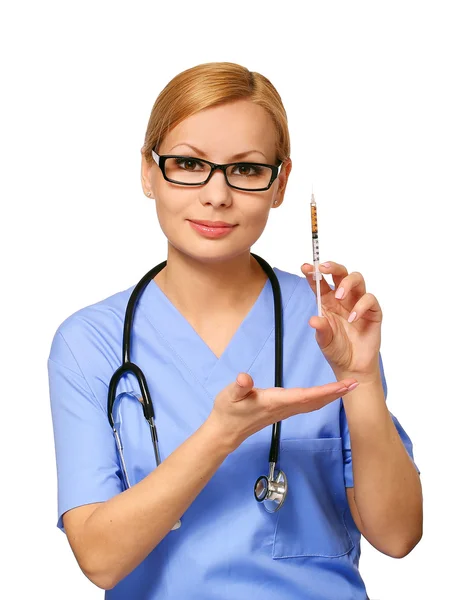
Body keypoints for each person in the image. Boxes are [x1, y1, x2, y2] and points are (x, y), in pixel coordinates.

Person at [47, 61, 422, 599]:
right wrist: (221, 435)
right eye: (188, 164)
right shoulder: (91, 343)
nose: (217, 195)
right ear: (148, 174)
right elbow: (100, 560)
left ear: (280, 183)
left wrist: (361, 379)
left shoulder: (329, 325)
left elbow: (399, 535)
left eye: (245, 170)